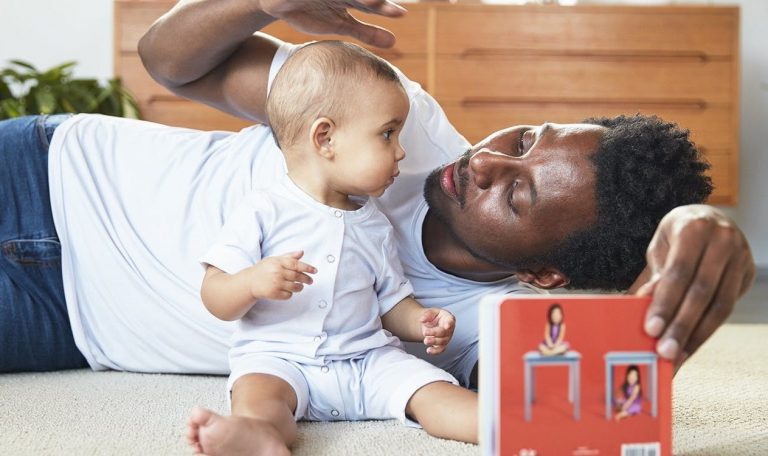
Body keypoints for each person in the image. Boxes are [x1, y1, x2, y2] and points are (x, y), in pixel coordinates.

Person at [0, 0, 755, 392]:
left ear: (547, 275)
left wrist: (698, 238)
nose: (487, 162)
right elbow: (170, 60)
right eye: (522, 139)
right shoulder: (405, 117)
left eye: (518, 197)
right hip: (52, 171)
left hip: (63, 325)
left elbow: (575, 411)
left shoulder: (484, 329)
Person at [187, 41, 478, 453]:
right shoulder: (264, 208)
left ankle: (502, 422)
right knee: (260, 397)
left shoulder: (375, 222)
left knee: (432, 389)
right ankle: (258, 435)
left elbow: (391, 304)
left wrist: (423, 321)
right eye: (387, 133)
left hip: (367, 361)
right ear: (325, 138)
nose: (401, 151)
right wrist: (252, 282)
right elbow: (215, 296)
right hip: (281, 361)